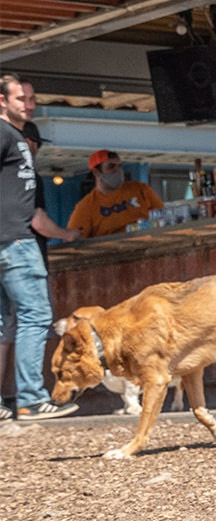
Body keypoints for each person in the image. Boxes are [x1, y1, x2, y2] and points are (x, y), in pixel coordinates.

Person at [0, 75, 80, 422]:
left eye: (31, 98)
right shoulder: (5, 135)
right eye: (21, 98)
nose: (29, 105)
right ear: (2, 100)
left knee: (4, 323)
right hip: (16, 240)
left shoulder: (16, 136)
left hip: (9, 240)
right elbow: (37, 218)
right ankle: (31, 399)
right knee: (36, 316)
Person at [66, 149, 164, 238]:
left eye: (120, 166)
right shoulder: (85, 207)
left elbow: (164, 218)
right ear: (96, 172)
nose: (118, 170)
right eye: (111, 167)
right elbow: (75, 243)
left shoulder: (140, 189)